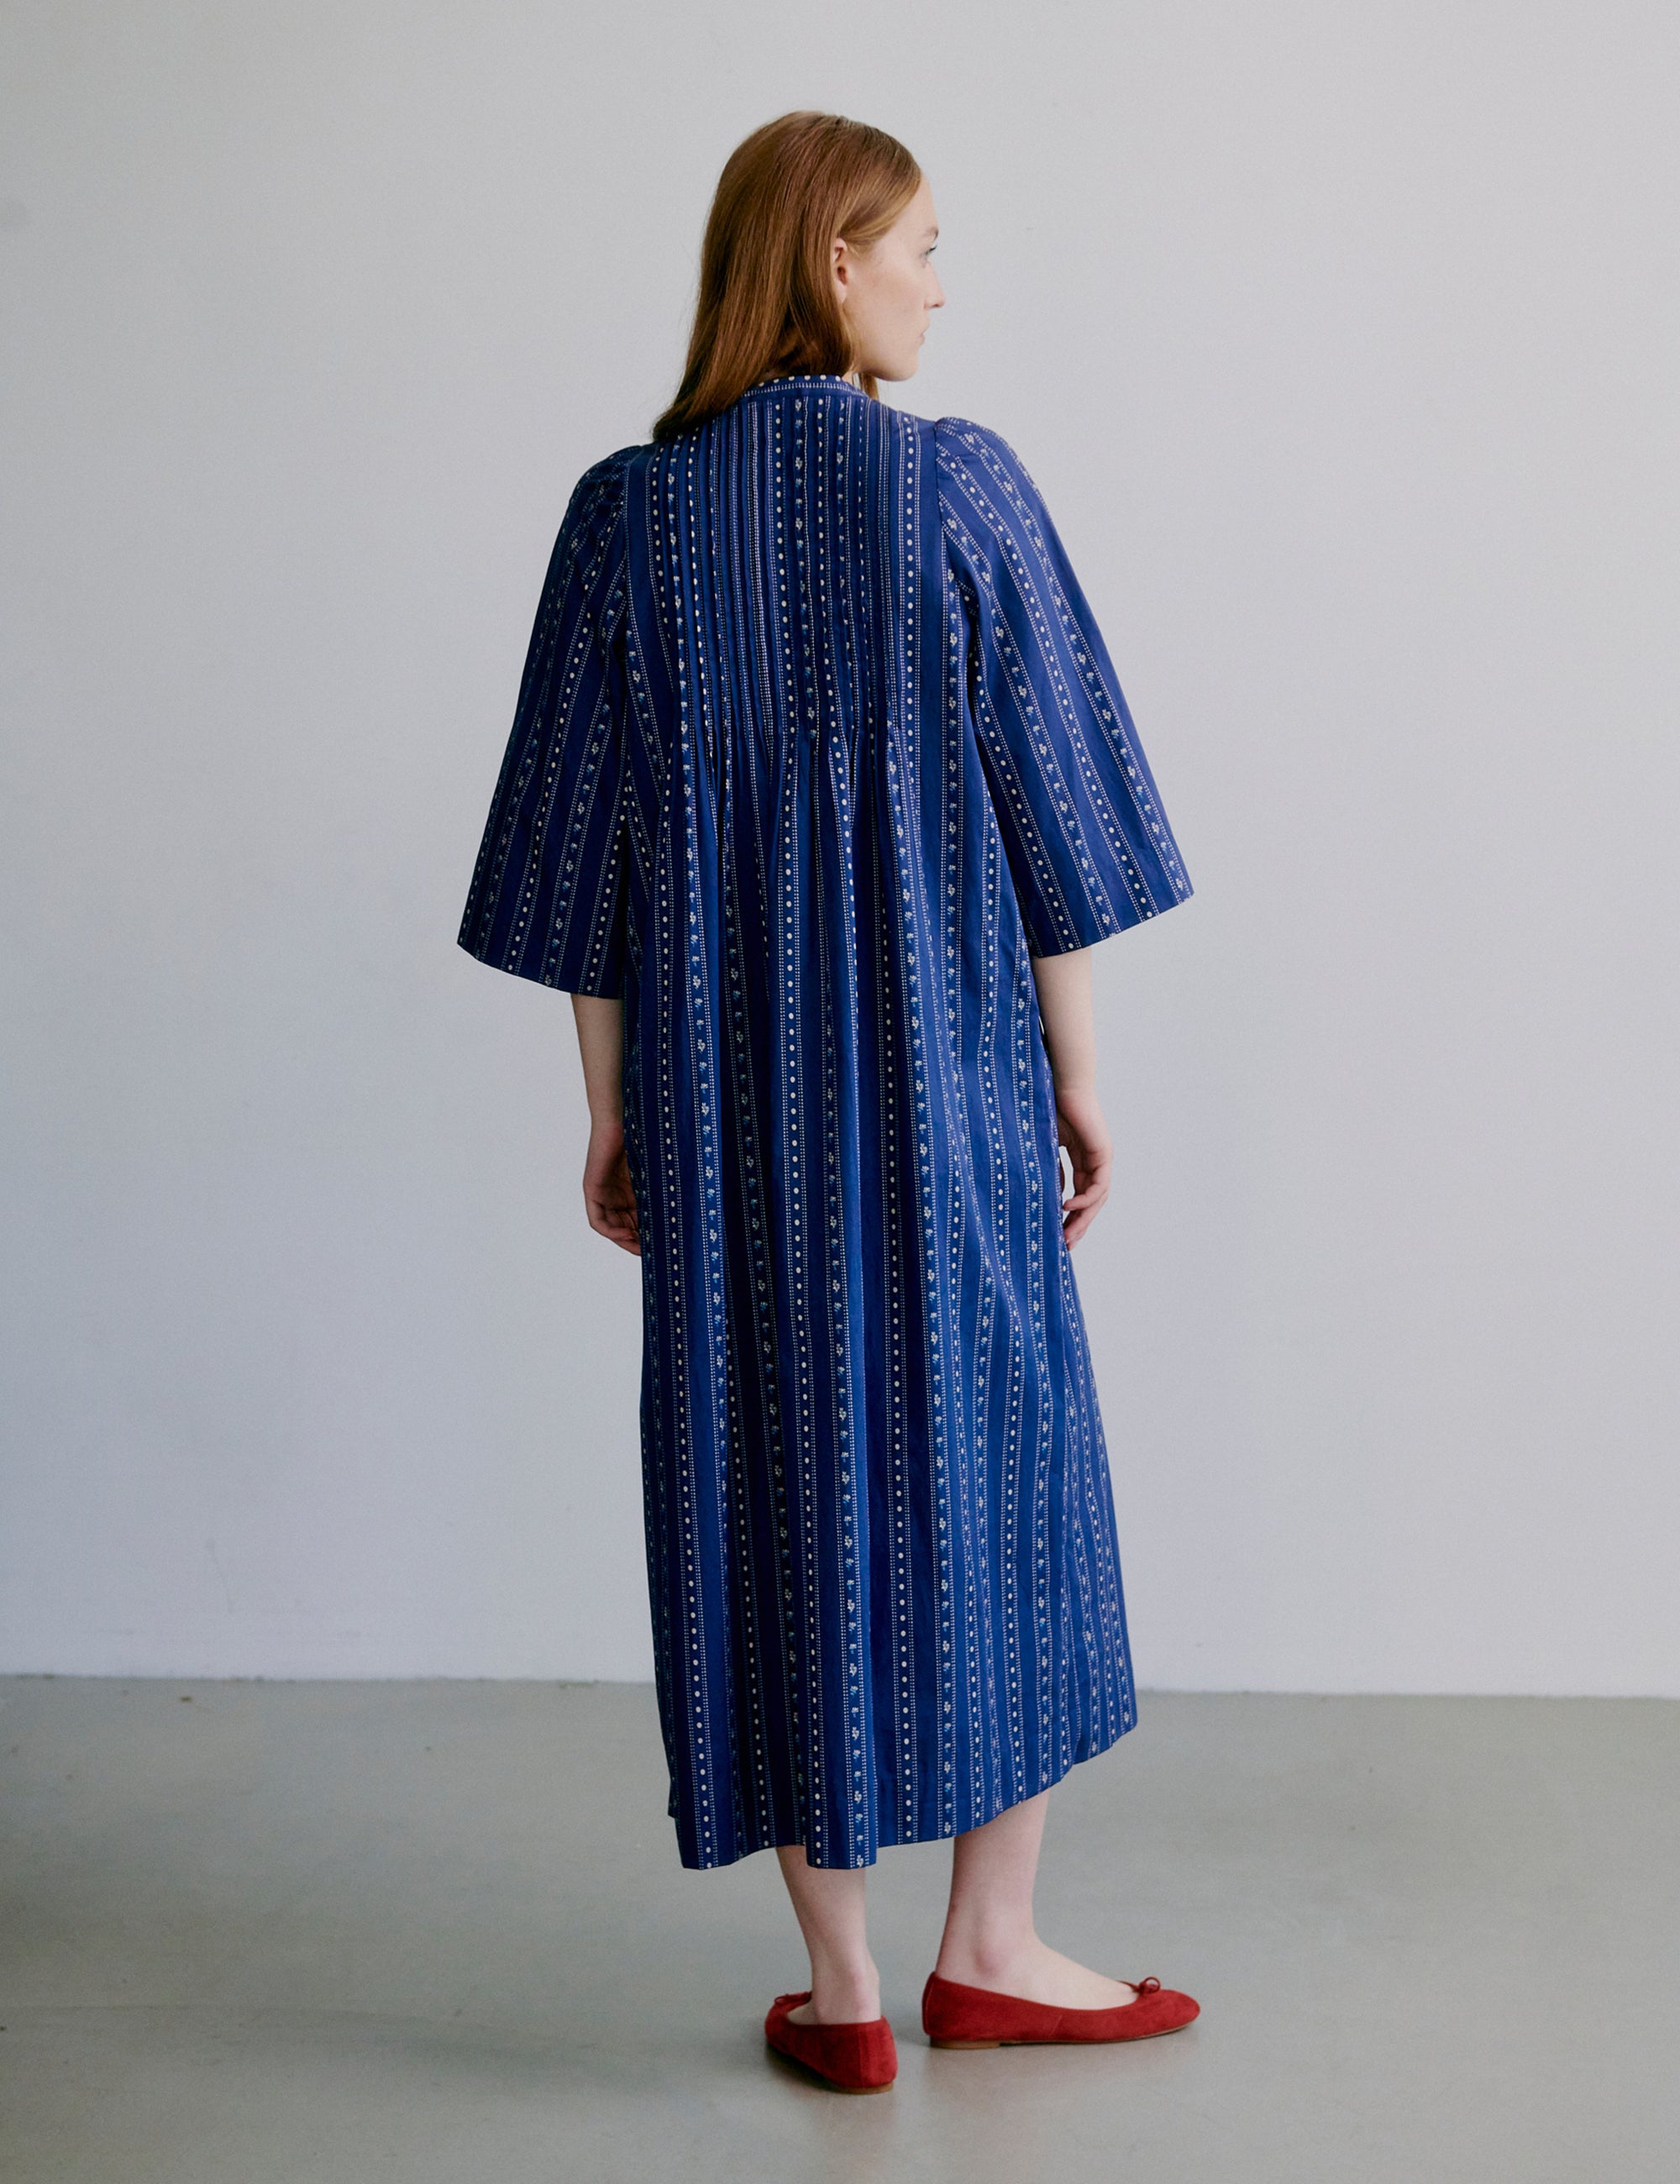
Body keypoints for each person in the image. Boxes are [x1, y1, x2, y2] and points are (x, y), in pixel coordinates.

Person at [459, 110, 1200, 2093]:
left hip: (721, 1110)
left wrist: (608, 1111)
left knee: (763, 1472)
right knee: (999, 1464)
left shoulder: (624, 518)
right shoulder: (958, 492)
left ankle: (848, 1989)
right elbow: (1056, 811)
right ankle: (996, 1944)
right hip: (947, 1086)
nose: (944, 282)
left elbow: (582, 861)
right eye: (925, 245)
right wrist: (1078, 1077)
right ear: (831, 262)